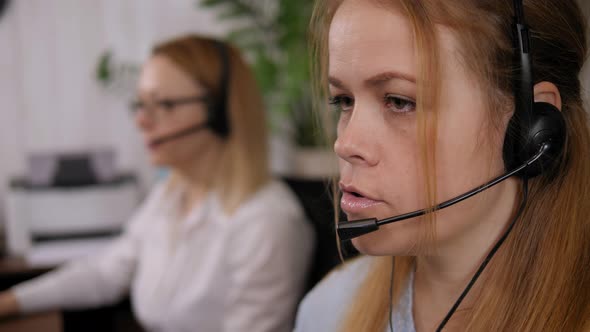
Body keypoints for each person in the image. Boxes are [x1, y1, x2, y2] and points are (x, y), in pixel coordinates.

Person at [295, 0, 590, 331]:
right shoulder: (328, 310)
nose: (346, 144)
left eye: (400, 102)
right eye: (344, 101)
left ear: (530, 128)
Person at [0, 35, 315, 332]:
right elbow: (105, 272)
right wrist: (11, 302)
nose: (141, 120)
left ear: (220, 113)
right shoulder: (171, 194)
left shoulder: (266, 222)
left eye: (163, 104)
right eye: (140, 104)